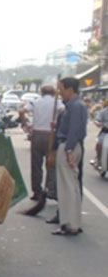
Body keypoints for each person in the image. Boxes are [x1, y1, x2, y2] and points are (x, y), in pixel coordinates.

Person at [52, 77, 87, 236]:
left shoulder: (75, 106)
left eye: (62, 89)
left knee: (67, 186)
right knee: (71, 185)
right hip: (70, 144)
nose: (60, 93)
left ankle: (68, 223)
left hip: (68, 145)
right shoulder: (74, 105)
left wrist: (69, 150)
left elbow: (73, 129)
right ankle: (73, 222)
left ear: (70, 89)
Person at [18, 85, 64, 200]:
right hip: (51, 134)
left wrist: (26, 125)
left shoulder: (35, 102)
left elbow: (21, 111)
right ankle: (51, 189)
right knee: (51, 163)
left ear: (42, 93)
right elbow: (64, 111)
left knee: (36, 165)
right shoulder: (57, 102)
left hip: (37, 134)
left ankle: (37, 191)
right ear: (53, 93)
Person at [91, 101, 108, 170]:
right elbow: (97, 119)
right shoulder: (104, 111)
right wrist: (97, 123)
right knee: (99, 143)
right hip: (105, 132)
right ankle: (98, 159)